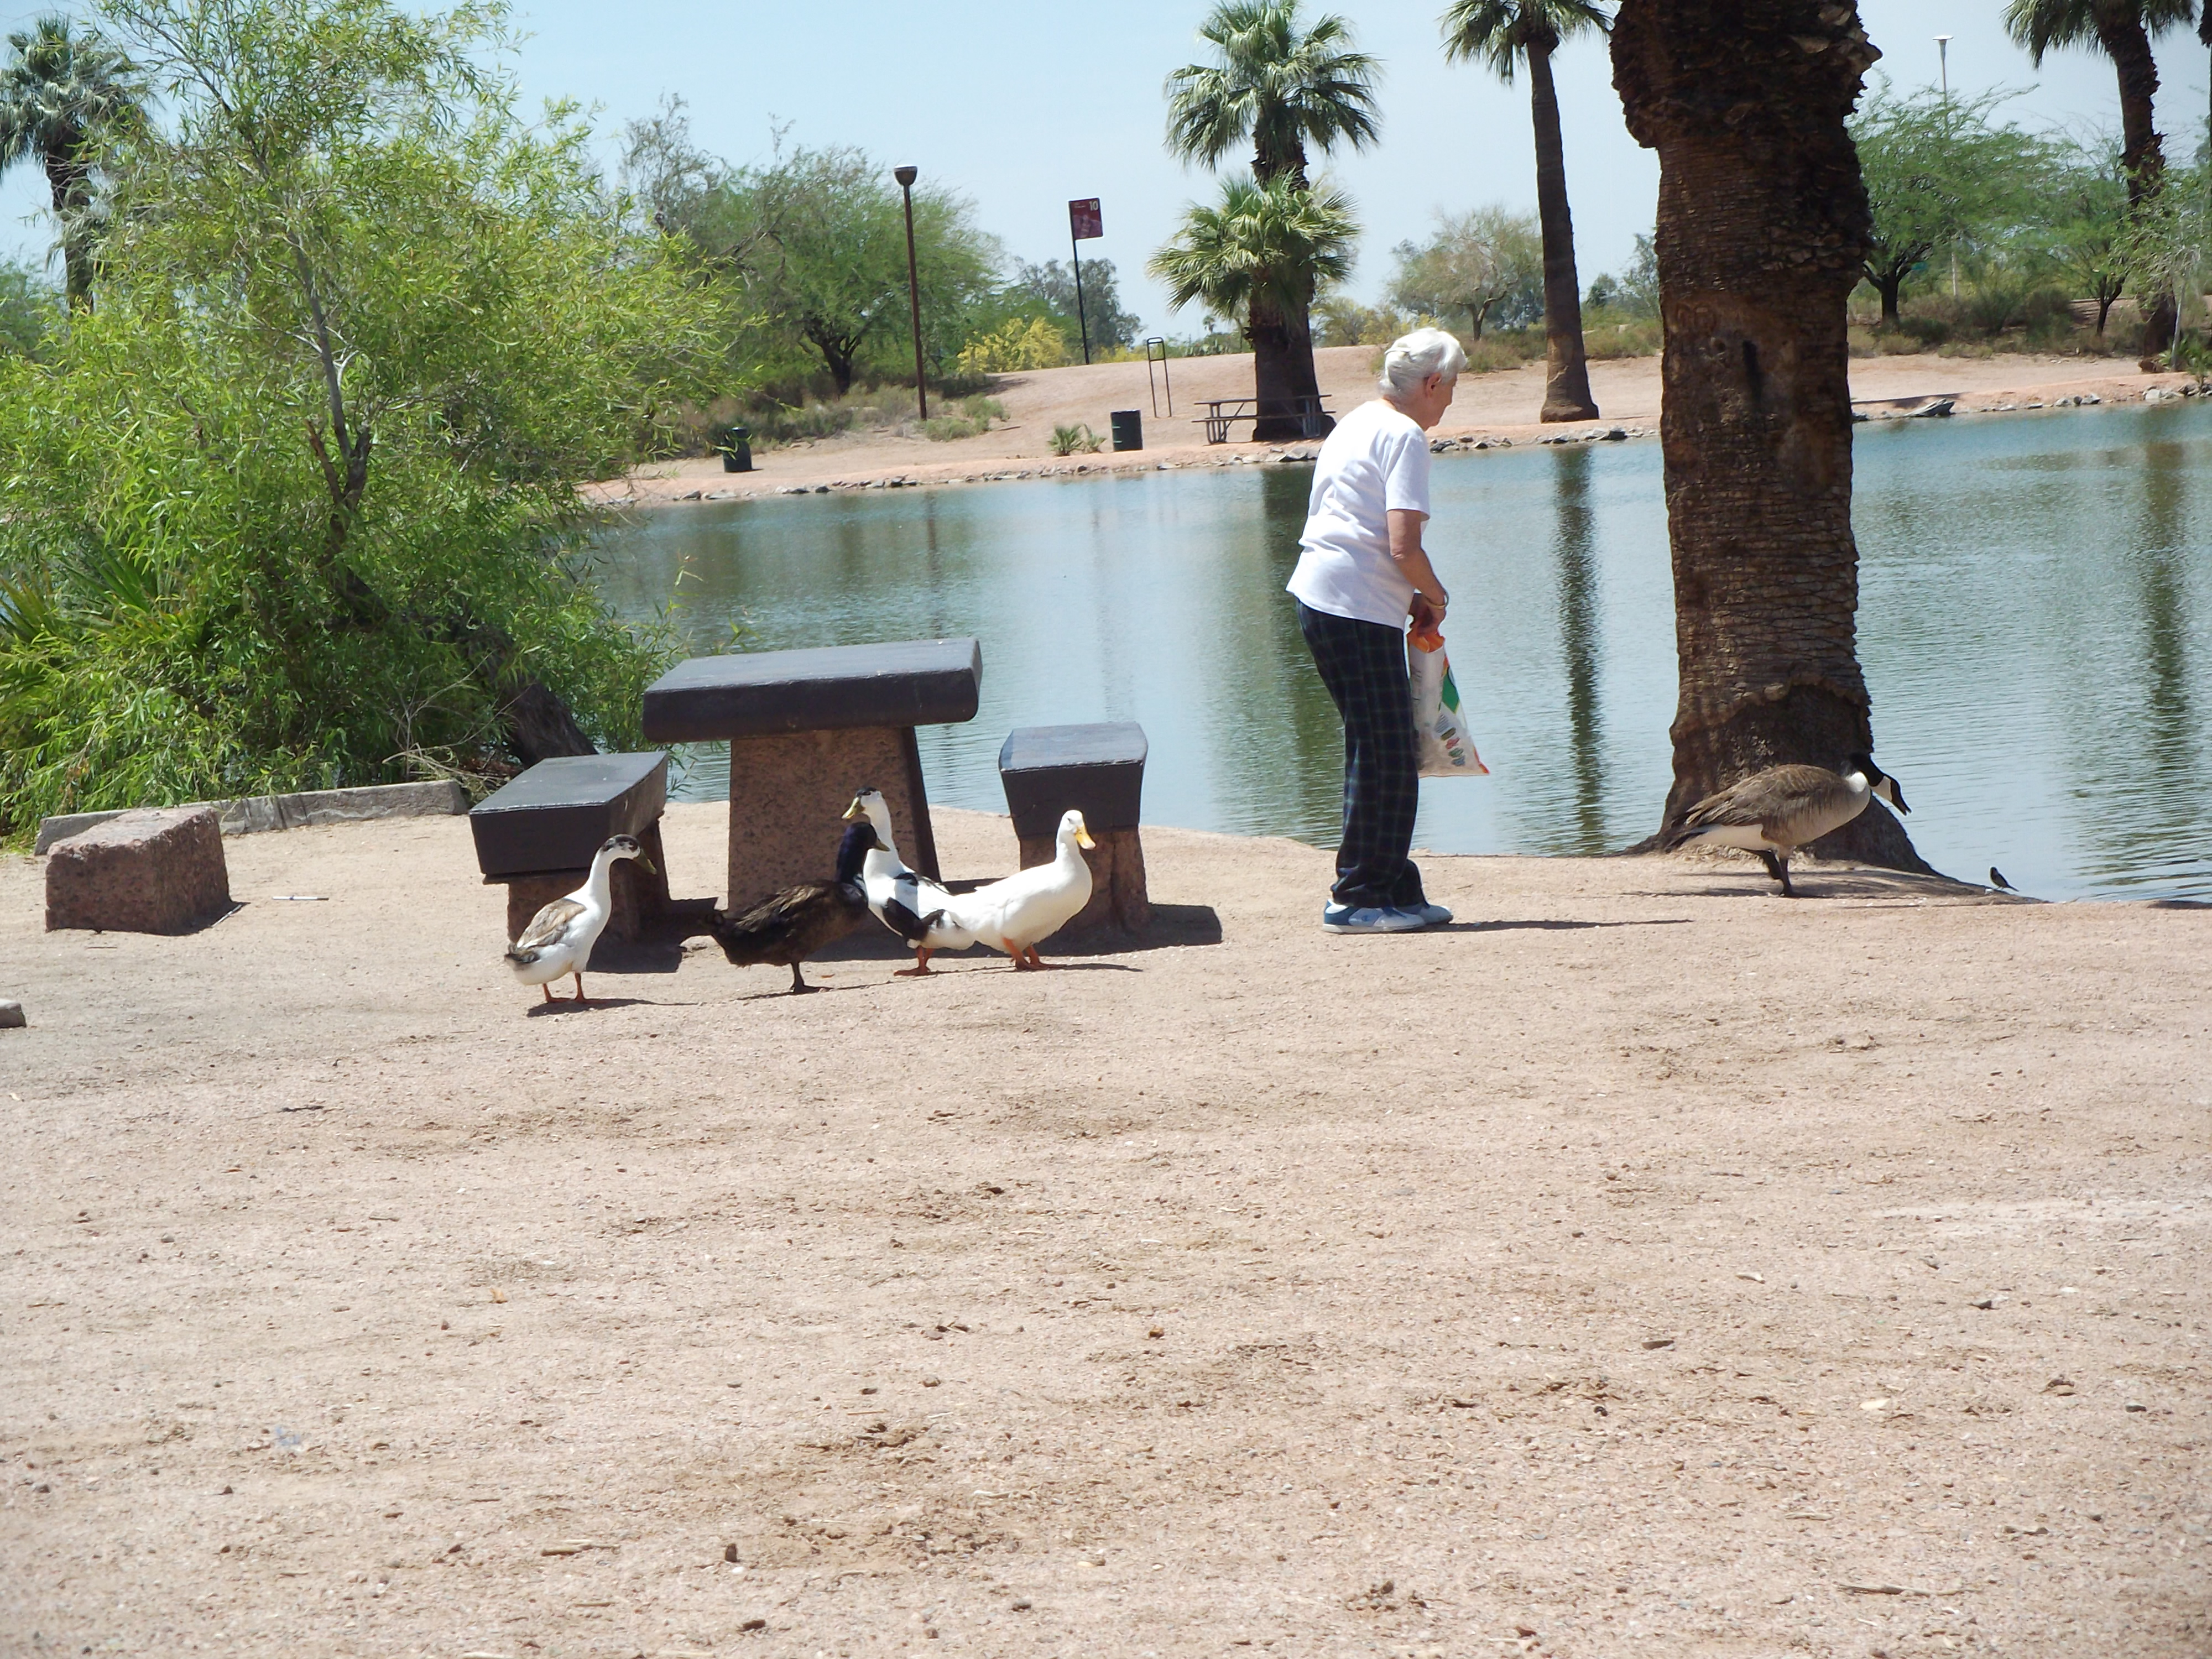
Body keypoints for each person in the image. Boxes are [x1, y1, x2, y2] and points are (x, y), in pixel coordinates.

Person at [1285, 326, 1465, 933]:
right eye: (1451, 388)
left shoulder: (1359, 420)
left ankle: (1391, 884)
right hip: (1351, 606)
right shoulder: (1405, 435)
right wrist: (1436, 596)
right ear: (1432, 383)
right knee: (1383, 748)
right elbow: (1401, 542)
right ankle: (1357, 896)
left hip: (1328, 598)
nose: (1450, 401)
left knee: (1384, 744)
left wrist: (1410, 594)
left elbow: (1354, 526)